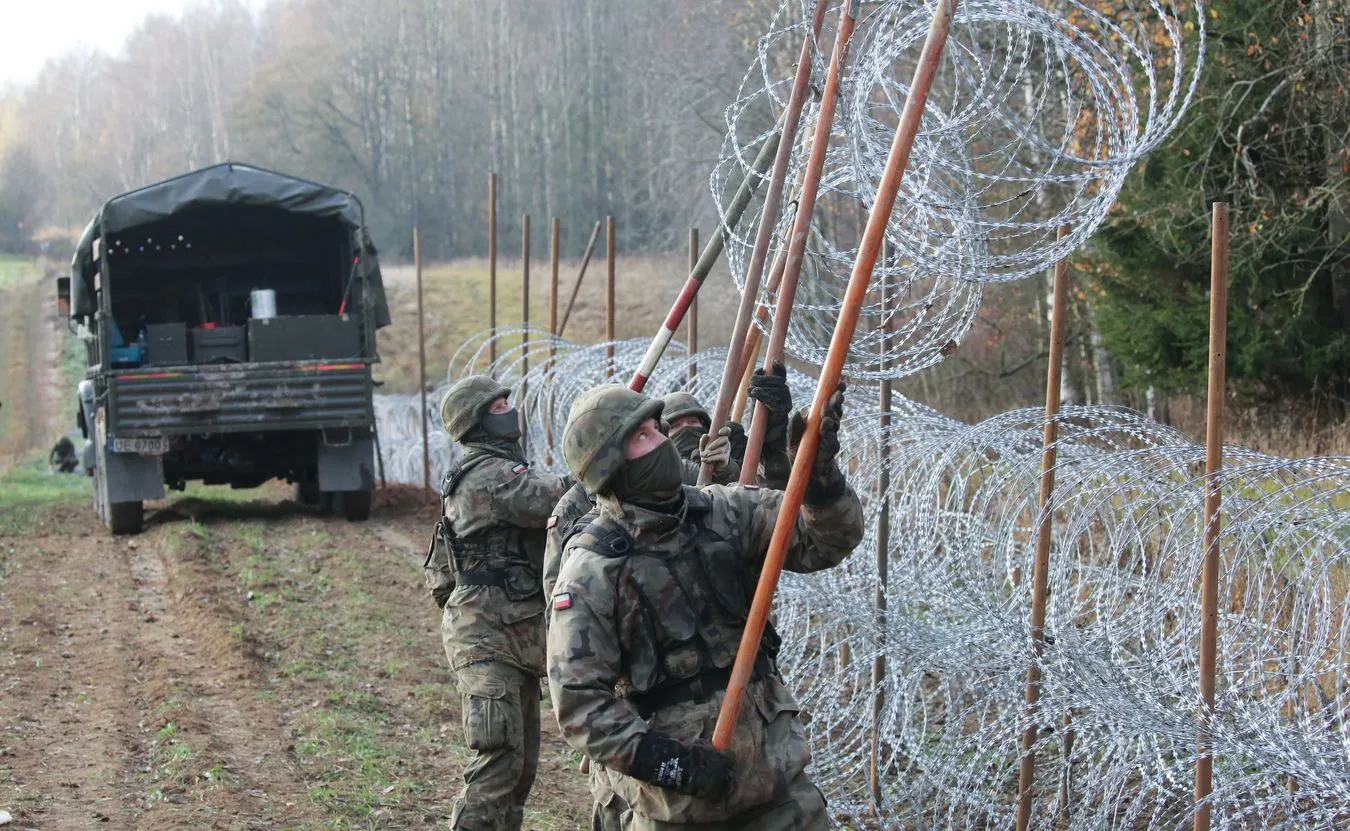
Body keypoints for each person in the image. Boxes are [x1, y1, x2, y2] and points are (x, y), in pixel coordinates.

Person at [546, 379, 863, 830]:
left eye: (657, 428)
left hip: (777, 785)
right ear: (610, 465)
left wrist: (818, 479)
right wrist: (676, 767)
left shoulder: (725, 512)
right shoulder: (593, 570)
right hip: (677, 808)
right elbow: (579, 706)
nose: (663, 441)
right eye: (643, 437)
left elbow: (827, 541)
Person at [423, 375, 571, 831]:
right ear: (479, 421)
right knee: (498, 762)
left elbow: (441, 580)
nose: (511, 410)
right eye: (500, 405)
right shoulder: (492, 476)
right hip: (490, 638)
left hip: (507, 636)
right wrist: (607, 456)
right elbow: (561, 499)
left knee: (518, 769)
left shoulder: (483, 472)